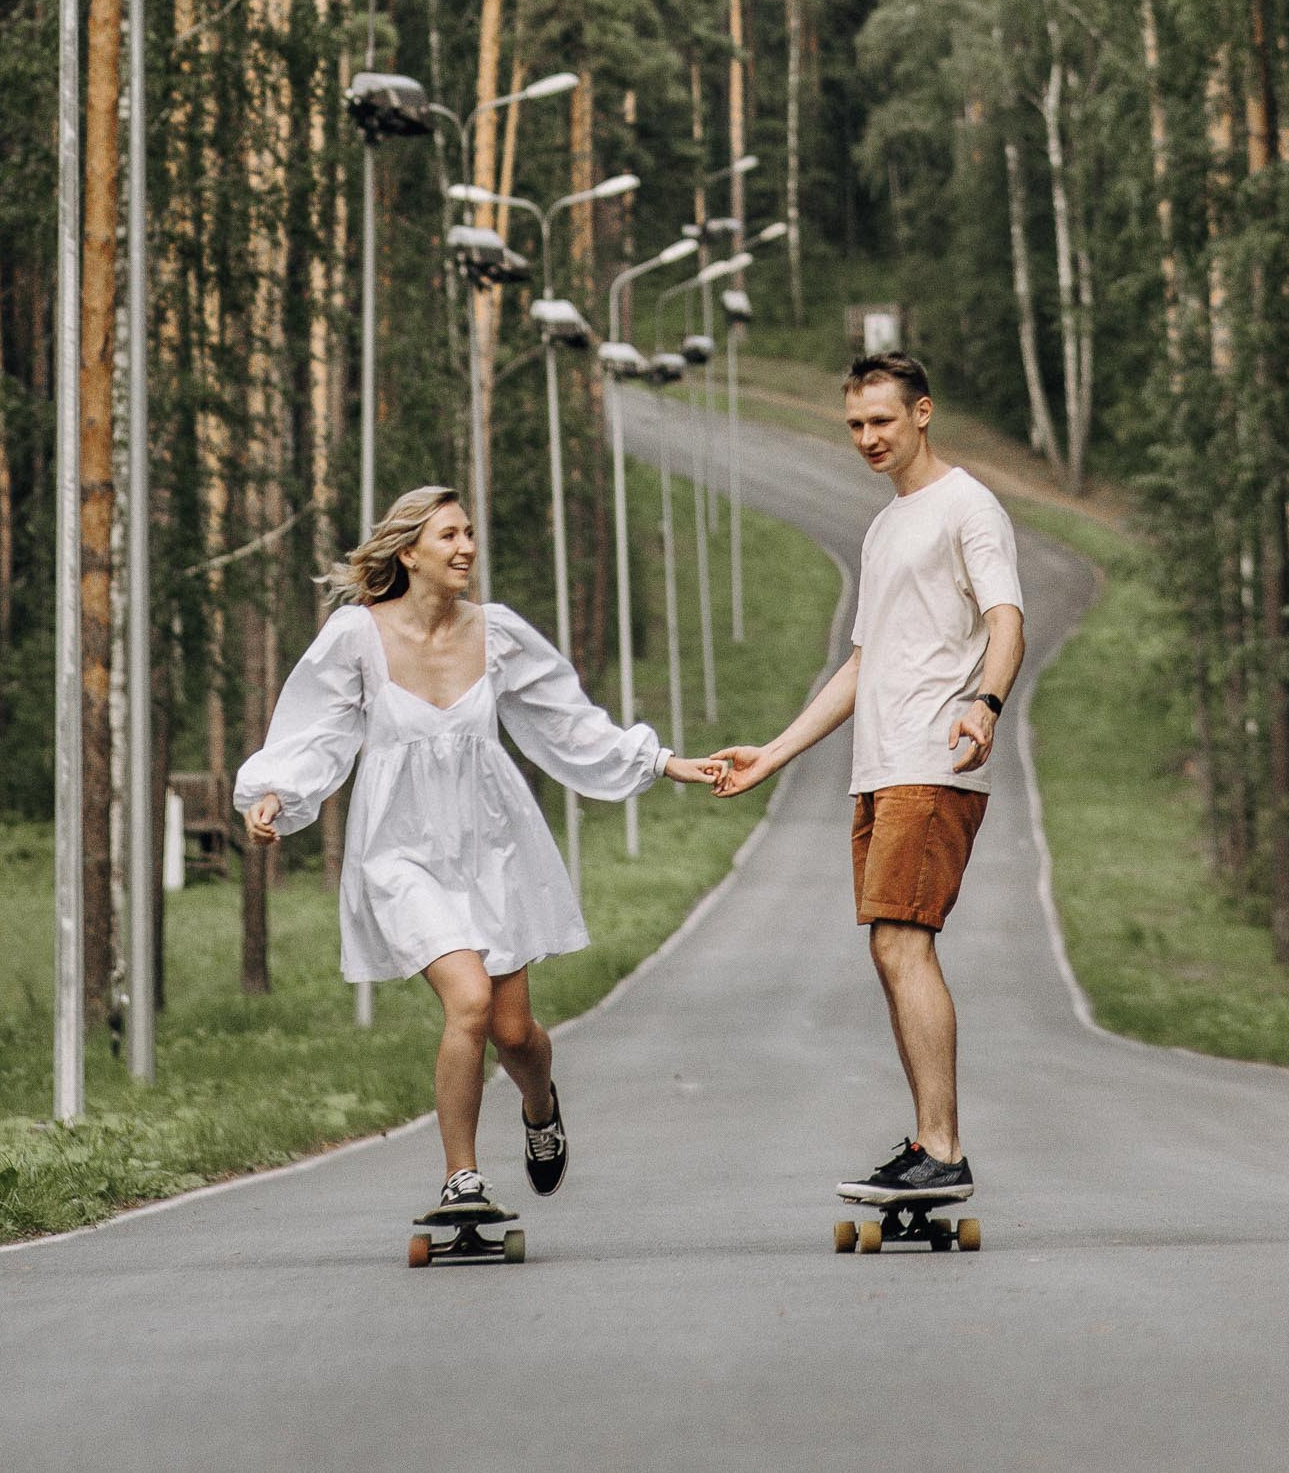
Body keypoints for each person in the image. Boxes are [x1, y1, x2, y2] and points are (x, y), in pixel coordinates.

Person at [236, 483, 726, 1217]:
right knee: (467, 1001)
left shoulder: (496, 632)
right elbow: (318, 729)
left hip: (492, 844)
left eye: (468, 534)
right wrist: (275, 791)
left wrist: (663, 763)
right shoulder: (355, 636)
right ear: (408, 552)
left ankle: (538, 1103)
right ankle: (461, 1179)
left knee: (512, 1031)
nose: (466, 548)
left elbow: (570, 724)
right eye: (449, 537)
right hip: (399, 849)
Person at [714, 354, 1023, 1202]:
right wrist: (774, 752)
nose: (867, 439)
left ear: (922, 413)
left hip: (934, 759)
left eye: (881, 421)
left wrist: (985, 703)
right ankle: (929, 1139)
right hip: (880, 766)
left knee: (901, 940)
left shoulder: (968, 508)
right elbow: (862, 662)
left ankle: (945, 1150)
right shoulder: (886, 526)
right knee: (890, 949)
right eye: (854, 425)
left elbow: (1006, 620)